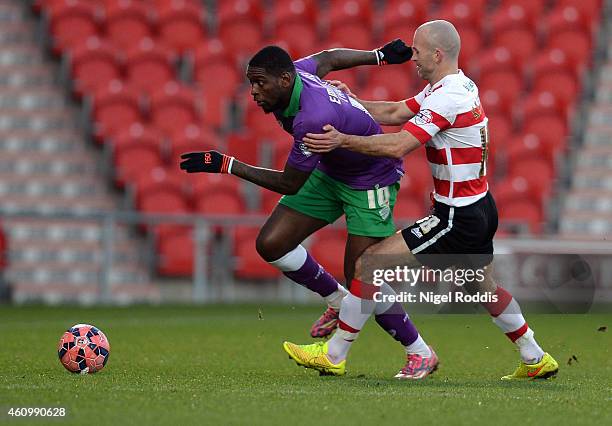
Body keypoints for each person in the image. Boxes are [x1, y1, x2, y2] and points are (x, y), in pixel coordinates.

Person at [283, 20, 559, 381]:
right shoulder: (452, 85)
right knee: (483, 288)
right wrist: (349, 100)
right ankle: (535, 355)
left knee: (369, 265)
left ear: (437, 53)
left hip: (456, 215)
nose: (411, 56)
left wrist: (342, 140)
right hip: (479, 206)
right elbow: (397, 112)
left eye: (416, 50)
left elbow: (398, 145)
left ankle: (334, 355)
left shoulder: (447, 97)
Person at [180, 42, 427, 350]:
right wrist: (378, 56)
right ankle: (337, 302)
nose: (254, 92)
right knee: (272, 243)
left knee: (362, 276)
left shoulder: (311, 117)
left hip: (371, 179)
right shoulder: (295, 73)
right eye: (251, 83)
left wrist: (227, 164)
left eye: (260, 83)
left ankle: (419, 352)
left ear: (283, 81)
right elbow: (329, 58)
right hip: (333, 170)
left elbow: (290, 183)